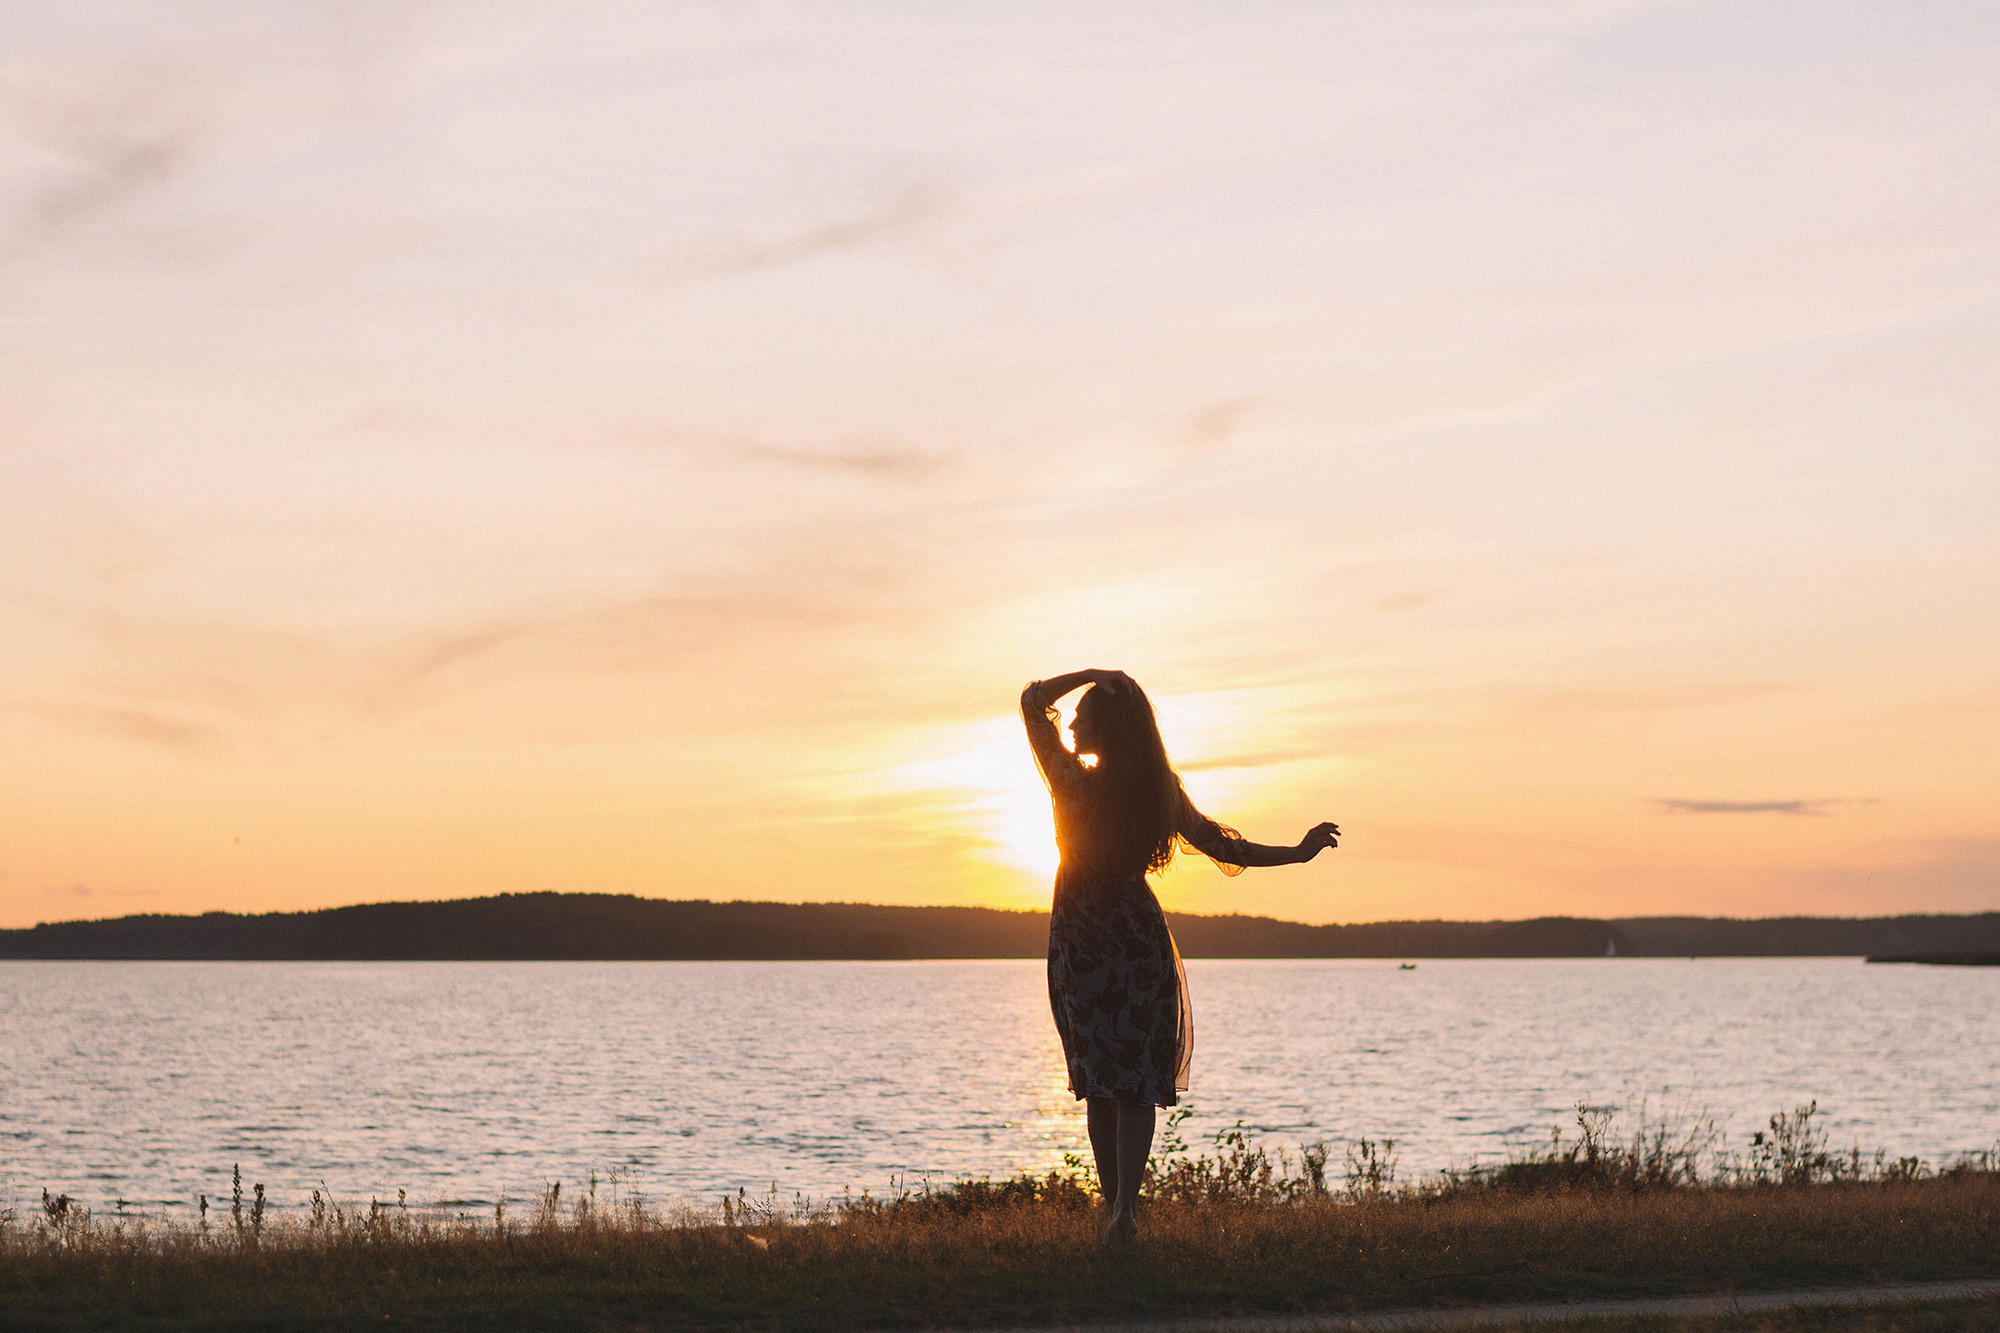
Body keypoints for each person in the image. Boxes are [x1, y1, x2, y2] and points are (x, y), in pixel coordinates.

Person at [1020, 669, 1340, 1242]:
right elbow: (1226, 847)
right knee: (1135, 1080)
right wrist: (1295, 853)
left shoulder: (1069, 781)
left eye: (1082, 717)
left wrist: (1090, 675)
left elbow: (1033, 701)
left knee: (1101, 1082)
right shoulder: (1154, 789)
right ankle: (1124, 1210)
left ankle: (1115, 1210)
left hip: (1083, 939)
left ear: (1107, 727)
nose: (1070, 724)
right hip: (1135, 937)